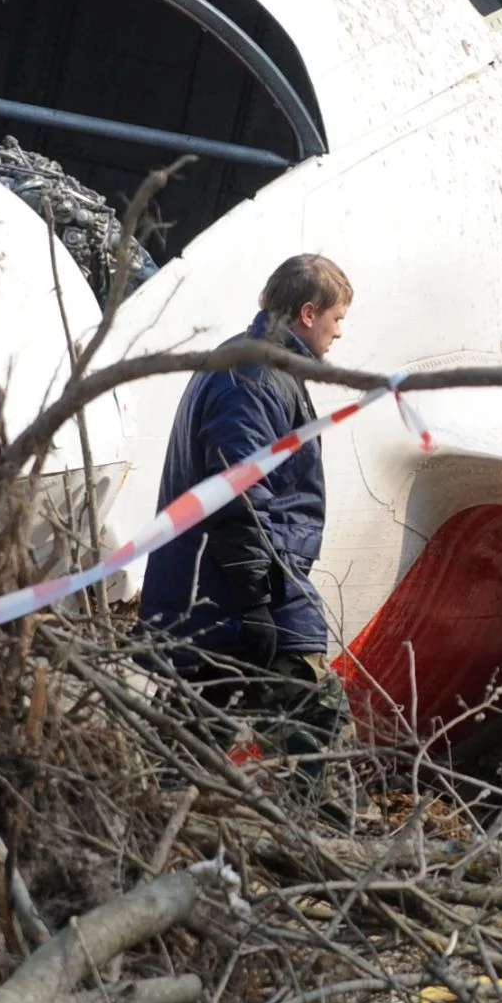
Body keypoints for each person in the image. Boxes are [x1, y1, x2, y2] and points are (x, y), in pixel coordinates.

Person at [138, 255, 354, 755]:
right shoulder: (255, 380)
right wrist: (257, 604)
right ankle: (330, 834)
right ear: (308, 313)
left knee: (186, 749)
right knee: (323, 741)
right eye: (337, 319)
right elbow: (237, 495)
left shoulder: (251, 363)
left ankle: (149, 822)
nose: (339, 333)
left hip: (210, 599)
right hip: (247, 601)